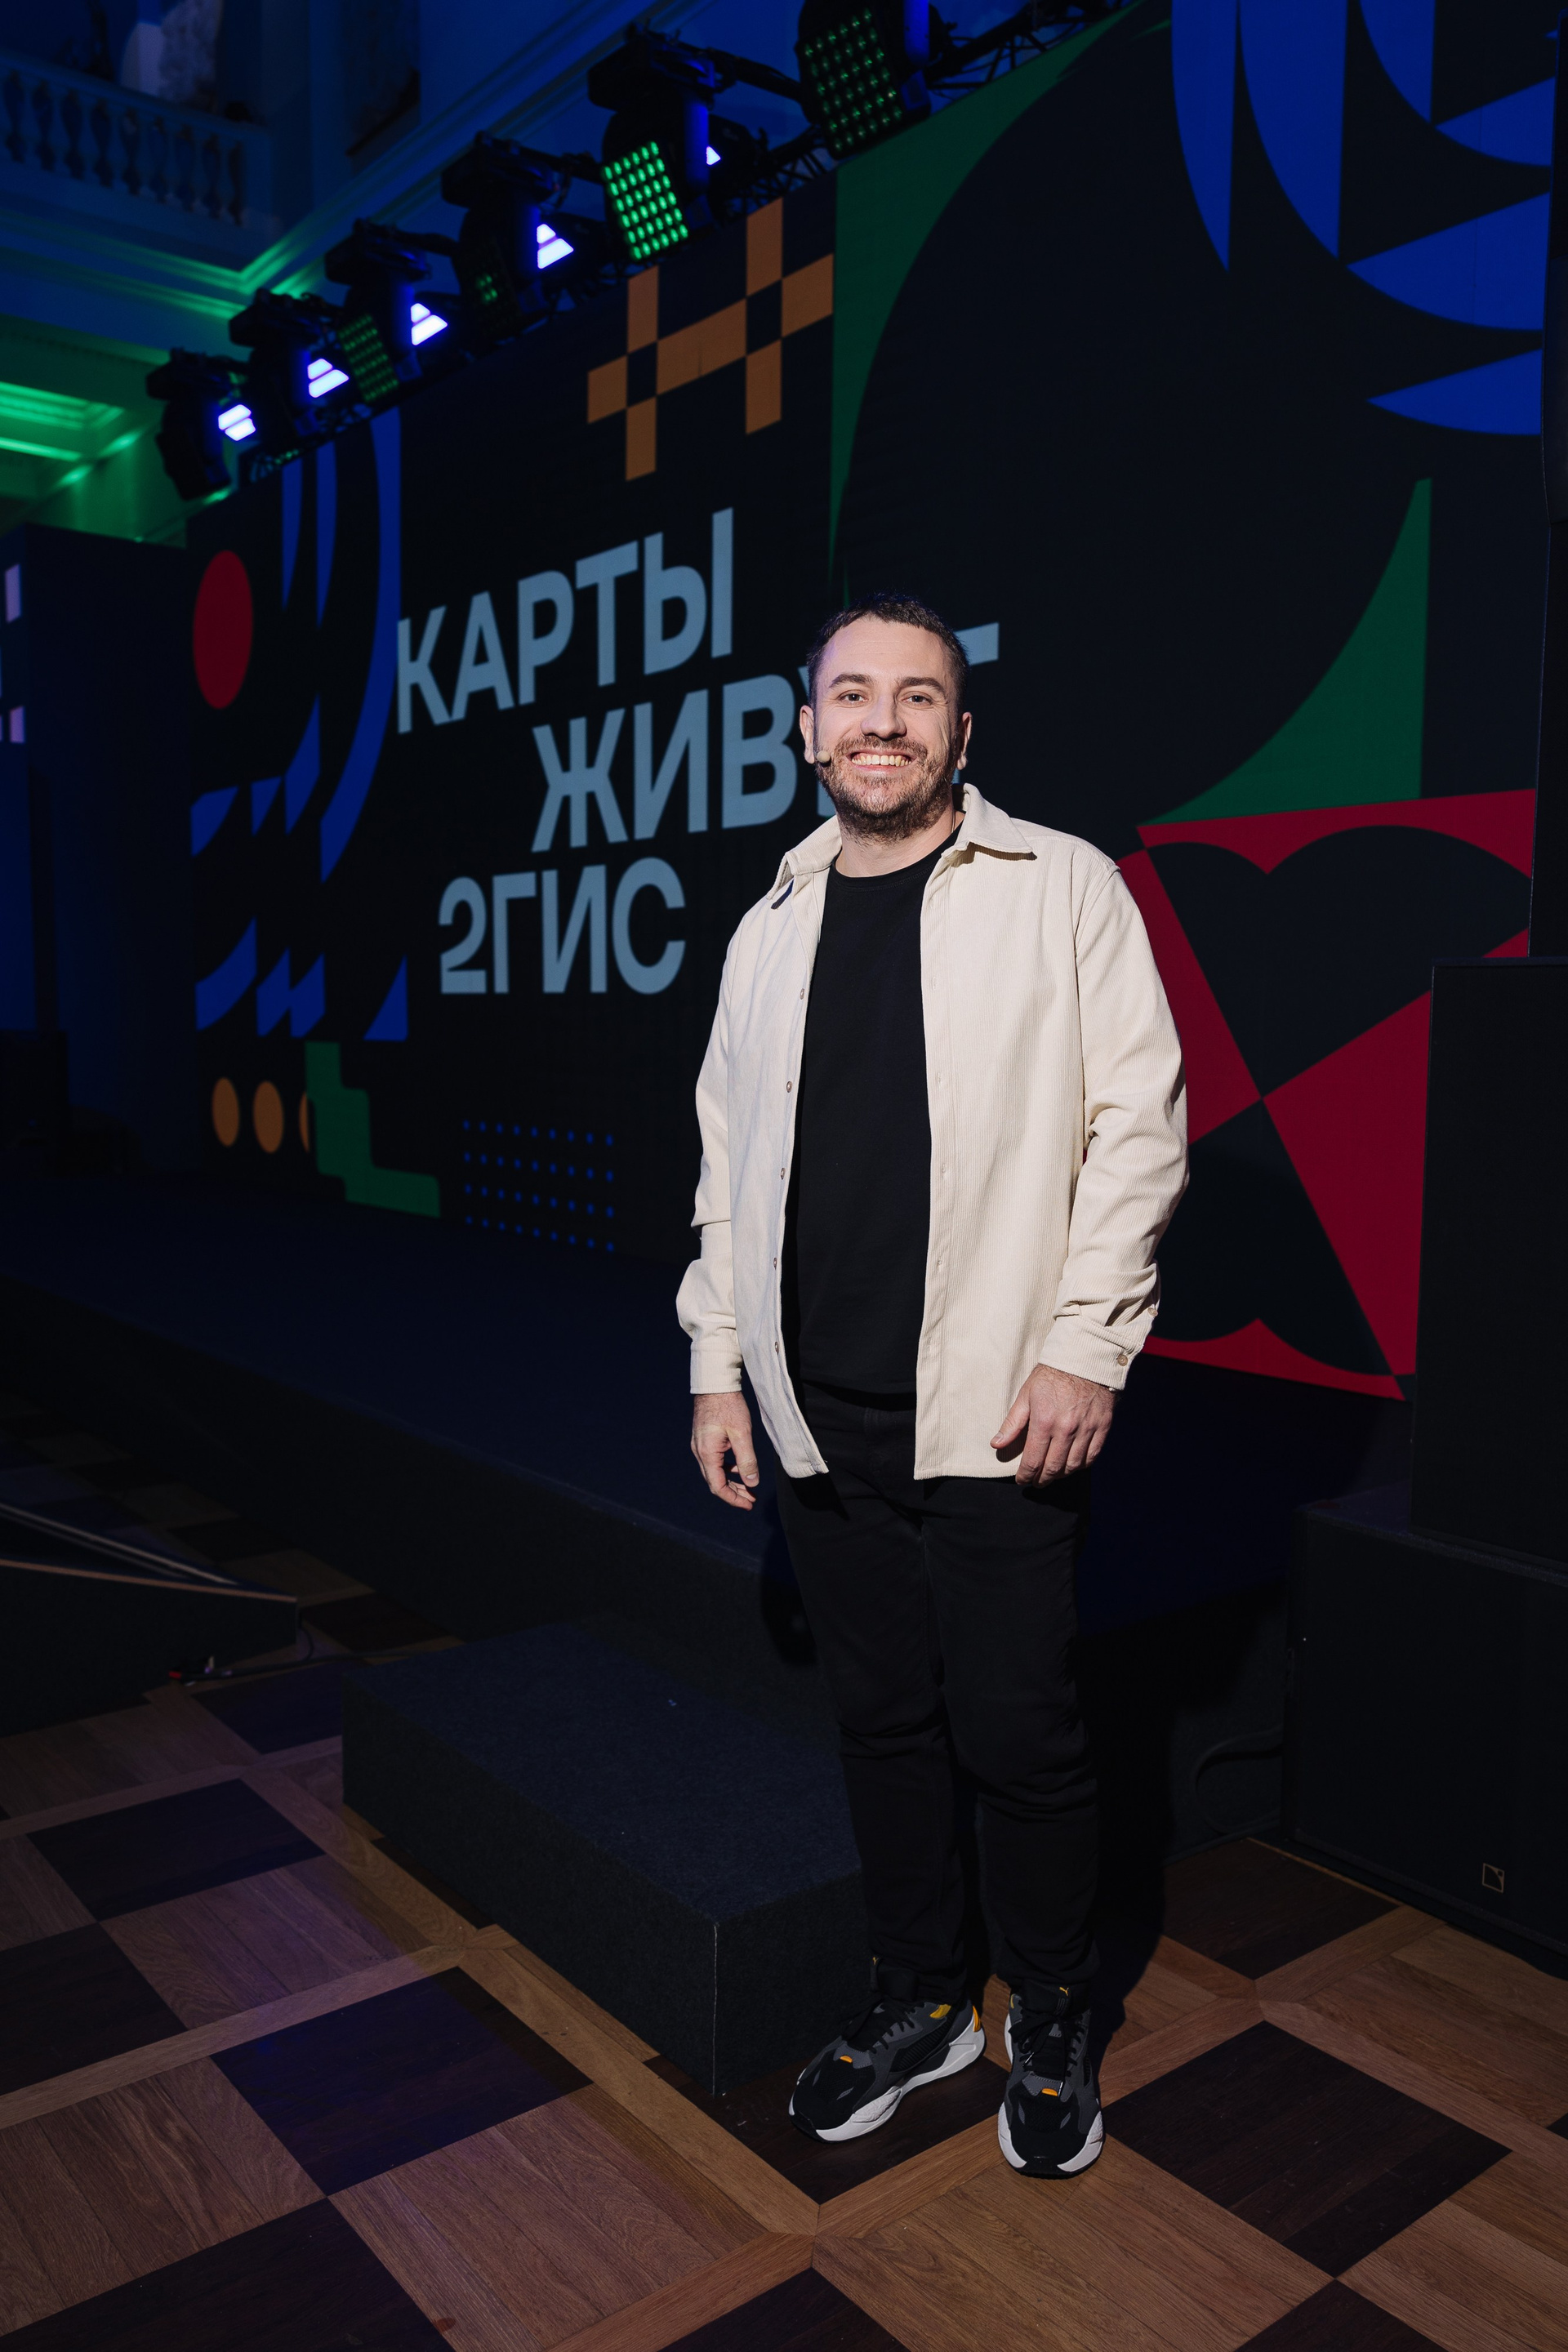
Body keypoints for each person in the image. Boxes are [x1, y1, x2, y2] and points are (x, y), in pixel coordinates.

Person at [676, 592, 1186, 2178]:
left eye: (916, 696)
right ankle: (923, 1999)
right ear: (806, 729)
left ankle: (1052, 2006)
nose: (880, 722)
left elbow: (1141, 1126)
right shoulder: (768, 926)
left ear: (964, 730)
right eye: (852, 695)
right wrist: (717, 1367)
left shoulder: (1064, 888)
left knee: (1022, 1735)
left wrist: (1088, 1343)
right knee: (883, 1723)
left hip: (1000, 1409)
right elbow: (726, 1171)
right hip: (819, 1411)